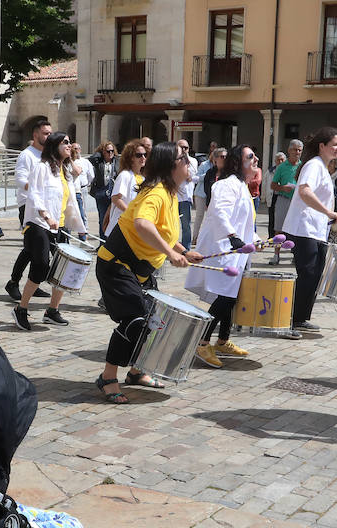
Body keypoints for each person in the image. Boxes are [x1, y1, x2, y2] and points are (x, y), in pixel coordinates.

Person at [92, 142, 202, 403]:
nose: (188, 161)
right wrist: (171, 253)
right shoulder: (156, 191)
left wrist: (182, 250)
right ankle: (108, 377)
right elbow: (142, 223)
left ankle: (136, 372)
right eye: (183, 157)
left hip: (140, 270)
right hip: (116, 265)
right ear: (170, 165)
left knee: (154, 320)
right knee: (135, 319)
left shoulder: (171, 193)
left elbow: (163, 229)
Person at [187, 144, 258, 368]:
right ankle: (202, 342)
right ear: (238, 162)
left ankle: (222, 340)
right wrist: (233, 236)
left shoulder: (241, 186)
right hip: (224, 249)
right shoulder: (226, 185)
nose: (255, 159)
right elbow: (219, 212)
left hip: (235, 250)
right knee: (225, 298)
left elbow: (243, 222)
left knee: (231, 297)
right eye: (250, 156)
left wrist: (254, 240)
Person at [13, 132, 85, 330]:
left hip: (59, 225)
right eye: (65, 142)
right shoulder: (41, 167)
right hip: (38, 223)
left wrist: (79, 228)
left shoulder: (64, 171)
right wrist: (46, 216)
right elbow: (34, 194)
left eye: (70, 143)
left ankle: (52, 310)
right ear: (54, 146)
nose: (70, 145)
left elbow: (70, 203)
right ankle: (21, 308)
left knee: (65, 268)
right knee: (41, 266)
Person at [283, 127, 337, 334]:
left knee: (315, 274)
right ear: (322, 146)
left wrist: (332, 214)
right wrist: (328, 212)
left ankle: (300, 317)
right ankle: (289, 319)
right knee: (307, 273)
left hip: (317, 230)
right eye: (334, 144)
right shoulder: (313, 165)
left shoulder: (323, 169)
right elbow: (304, 191)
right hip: (303, 228)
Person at [4, 118, 52, 300]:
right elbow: (20, 181)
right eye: (45, 133)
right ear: (36, 134)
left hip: (45, 209)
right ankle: (14, 282)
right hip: (29, 207)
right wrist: (36, 188)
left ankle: (33, 283)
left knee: (35, 249)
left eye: (50, 133)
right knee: (31, 249)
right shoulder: (27, 155)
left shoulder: (48, 156)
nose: (48, 136)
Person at [105, 139, 147, 237]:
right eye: (139, 155)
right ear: (131, 157)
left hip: (135, 225)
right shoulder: (125, 175)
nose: (143, 158)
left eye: (145, 155)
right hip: (122, 224)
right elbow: (116, 198)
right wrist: (131, 212)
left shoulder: (143, 178)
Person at [270, 141, 302, 264]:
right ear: (289, 150)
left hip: (297, 201)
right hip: (283, 199)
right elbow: (273, 185)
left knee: (297, 230)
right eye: (295, 149)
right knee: (278, 228)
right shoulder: (282, 167)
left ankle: (296, 254)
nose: (297, 152)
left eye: (299, 150)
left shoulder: (303, 166)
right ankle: (276, 255)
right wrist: (283, 188)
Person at [88, 142, 119, 236]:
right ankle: (102, 242)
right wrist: (98, 153)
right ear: (103, 152)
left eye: (112, 151)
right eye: (108, 151)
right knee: (102, 219)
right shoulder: (98, 162)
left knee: (113, 219)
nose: (110, 153)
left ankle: (111, 242)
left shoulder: (117, 162)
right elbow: (91, 159)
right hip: (101, 194)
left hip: (114, 195)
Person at [67, 141, 94, 233]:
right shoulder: (67, 162)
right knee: (70, 213)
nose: (75, 151)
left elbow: (91, 175)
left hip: (82, 189)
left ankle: (83, 232)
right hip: (70, 191)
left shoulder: (84, 162)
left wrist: (87, 184)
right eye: (73, 149)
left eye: (76, 149)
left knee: (82, 212)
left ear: (80, 150)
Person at [176, 139, 198, 248]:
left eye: (186, 148)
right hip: (174, 196)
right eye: (181, 147)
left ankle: (186, 247)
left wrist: (191, 177)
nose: (184, 150)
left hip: (186, 197)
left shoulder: (193, 161)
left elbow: (195, 177)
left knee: (186, 225)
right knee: (173, 224)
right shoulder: (173, 160)